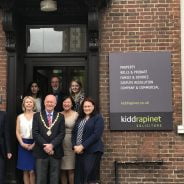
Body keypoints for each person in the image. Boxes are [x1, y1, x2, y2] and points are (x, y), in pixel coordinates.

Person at [32, 94, 65, 184]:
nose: (49, 104)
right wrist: (46, 146)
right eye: (47, 102)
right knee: (41, 179)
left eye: (51, 102)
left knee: (54, 179)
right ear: (44, 103)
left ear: (55, 103)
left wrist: (52, 145)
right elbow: (35, 133)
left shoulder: (61, 116)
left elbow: (62, 133)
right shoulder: (37, 116)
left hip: (56, 151)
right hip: (40, 151)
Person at [72, 97, 104, 184]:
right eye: (85, 106)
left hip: (92, 151)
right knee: (79, 177)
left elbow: (96, 135)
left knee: (90, 177)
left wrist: (82, 146)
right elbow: (74, 133)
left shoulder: (98, 118)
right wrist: (74, 146)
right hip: (79, 152)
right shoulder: (80, 118)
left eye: (89, 106)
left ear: (93, 107)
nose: (87, 108)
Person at [16, 96, 36, 184]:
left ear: (33, 104)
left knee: (32, 171)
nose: (28, 104)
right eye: (27, 102)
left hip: (35, 144)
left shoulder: (37, 115)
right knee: (25, 170)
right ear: (24, 104)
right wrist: (22, 143)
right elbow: (17, 131)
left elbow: (40, 132)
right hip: (23, 144)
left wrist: (34, 144)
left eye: (30, 102)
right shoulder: (20, 117)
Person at [60, 96, 78, 184]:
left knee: (71, 169)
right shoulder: (58, 114)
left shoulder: (76, 114)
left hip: (71, 143)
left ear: (72, 104)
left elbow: (79, 130)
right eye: (64, 102)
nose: (66, 104)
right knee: (62, 169)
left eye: (68, 102)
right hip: (60, 143)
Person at [0, 111, 12, 184]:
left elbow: (6, 133)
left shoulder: (4, 114)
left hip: (1, 150)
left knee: (1, 173)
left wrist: (8, 150)